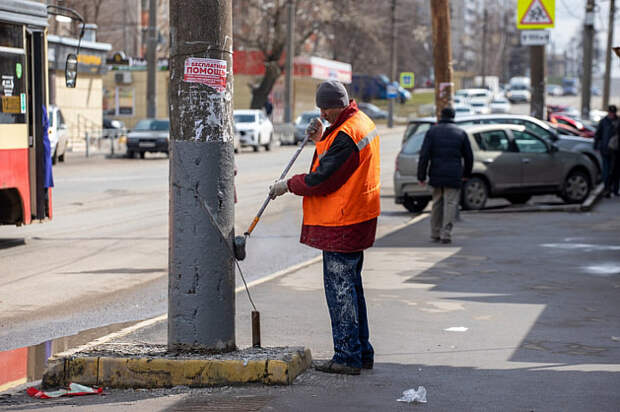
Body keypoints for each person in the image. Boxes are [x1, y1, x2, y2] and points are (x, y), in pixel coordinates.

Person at [268, 80, 380, 375]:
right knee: (352, 289)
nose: (322, 114)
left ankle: (347, 356)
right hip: (358, 218)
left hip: (343, 222)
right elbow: (336, 159)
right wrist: (320, 138)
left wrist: (289, 184)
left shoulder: (346, 134)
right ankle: (361, 352)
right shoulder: (358, 123)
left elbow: (323, 179)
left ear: (336, 105)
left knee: (340, 292)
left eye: (325, 109)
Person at [417, 107, 473, 244]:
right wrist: (466, 174)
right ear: (453, 117)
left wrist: (421, 176)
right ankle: (446, 234)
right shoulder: (460, 132)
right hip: (454, 174)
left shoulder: (432, 132)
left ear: (441, 116)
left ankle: (435, 233)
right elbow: (469, 156)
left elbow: (424, 155)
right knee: (450, 203)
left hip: (436, 173)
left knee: (437, 202)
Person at [594, 105, 618, 197]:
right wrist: (596, 146)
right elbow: (598, 134)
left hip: (616, 150)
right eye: (610, 112)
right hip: (605, 149)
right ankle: (607, 188)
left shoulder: (618, 121)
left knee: (615, 170)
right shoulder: (603, 122)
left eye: (613, 113)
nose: (611, 114)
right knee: (606, 169)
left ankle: (614, 189)